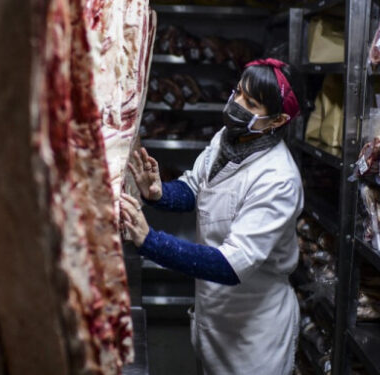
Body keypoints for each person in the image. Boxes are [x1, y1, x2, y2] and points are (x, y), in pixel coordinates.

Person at [120, 58, 304, 375]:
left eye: (252, 103)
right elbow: (196, 188)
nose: (237, 104)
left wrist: (150, 241)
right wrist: (159, 192)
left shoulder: (278, 179)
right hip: (214, 314)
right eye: (239, 93)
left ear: (277, 120)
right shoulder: (228, 138)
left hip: (254, 335)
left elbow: (231, 265)